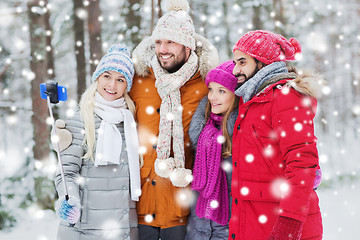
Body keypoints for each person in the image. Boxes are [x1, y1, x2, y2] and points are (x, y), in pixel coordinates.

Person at [128, 0, 219, 239]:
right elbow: (105, 107)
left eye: (171, 41)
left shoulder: (206, 85)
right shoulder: (139, 81)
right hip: (141, 204)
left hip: (183, 205)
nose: (162, 49)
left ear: (188, 46)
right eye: (158, 42)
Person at [228, 30, 323, 240]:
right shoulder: (251, 99)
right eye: (235, 62)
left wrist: (289, 221)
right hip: (257, 222)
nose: (236, 70)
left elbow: (302, 162)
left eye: (242, 62)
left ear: (262, 62)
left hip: (282, 224)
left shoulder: (286, 98)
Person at [54, 44, 141, 240]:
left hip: (122, 230)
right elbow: (65, 172)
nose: (112, 85)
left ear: (127, 85)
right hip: (86, 229)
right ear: (97, 79)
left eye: (120, 80)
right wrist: (71, 200)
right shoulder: (79, 121)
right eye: (107, 76)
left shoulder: (129, 123)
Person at [185, 61, 239, 240]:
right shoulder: (202, 134)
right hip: (197, 230)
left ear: (236, 95)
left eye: (222, 91)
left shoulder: (242, 136)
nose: (212, 97)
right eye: (211, 89)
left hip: (229, 232)